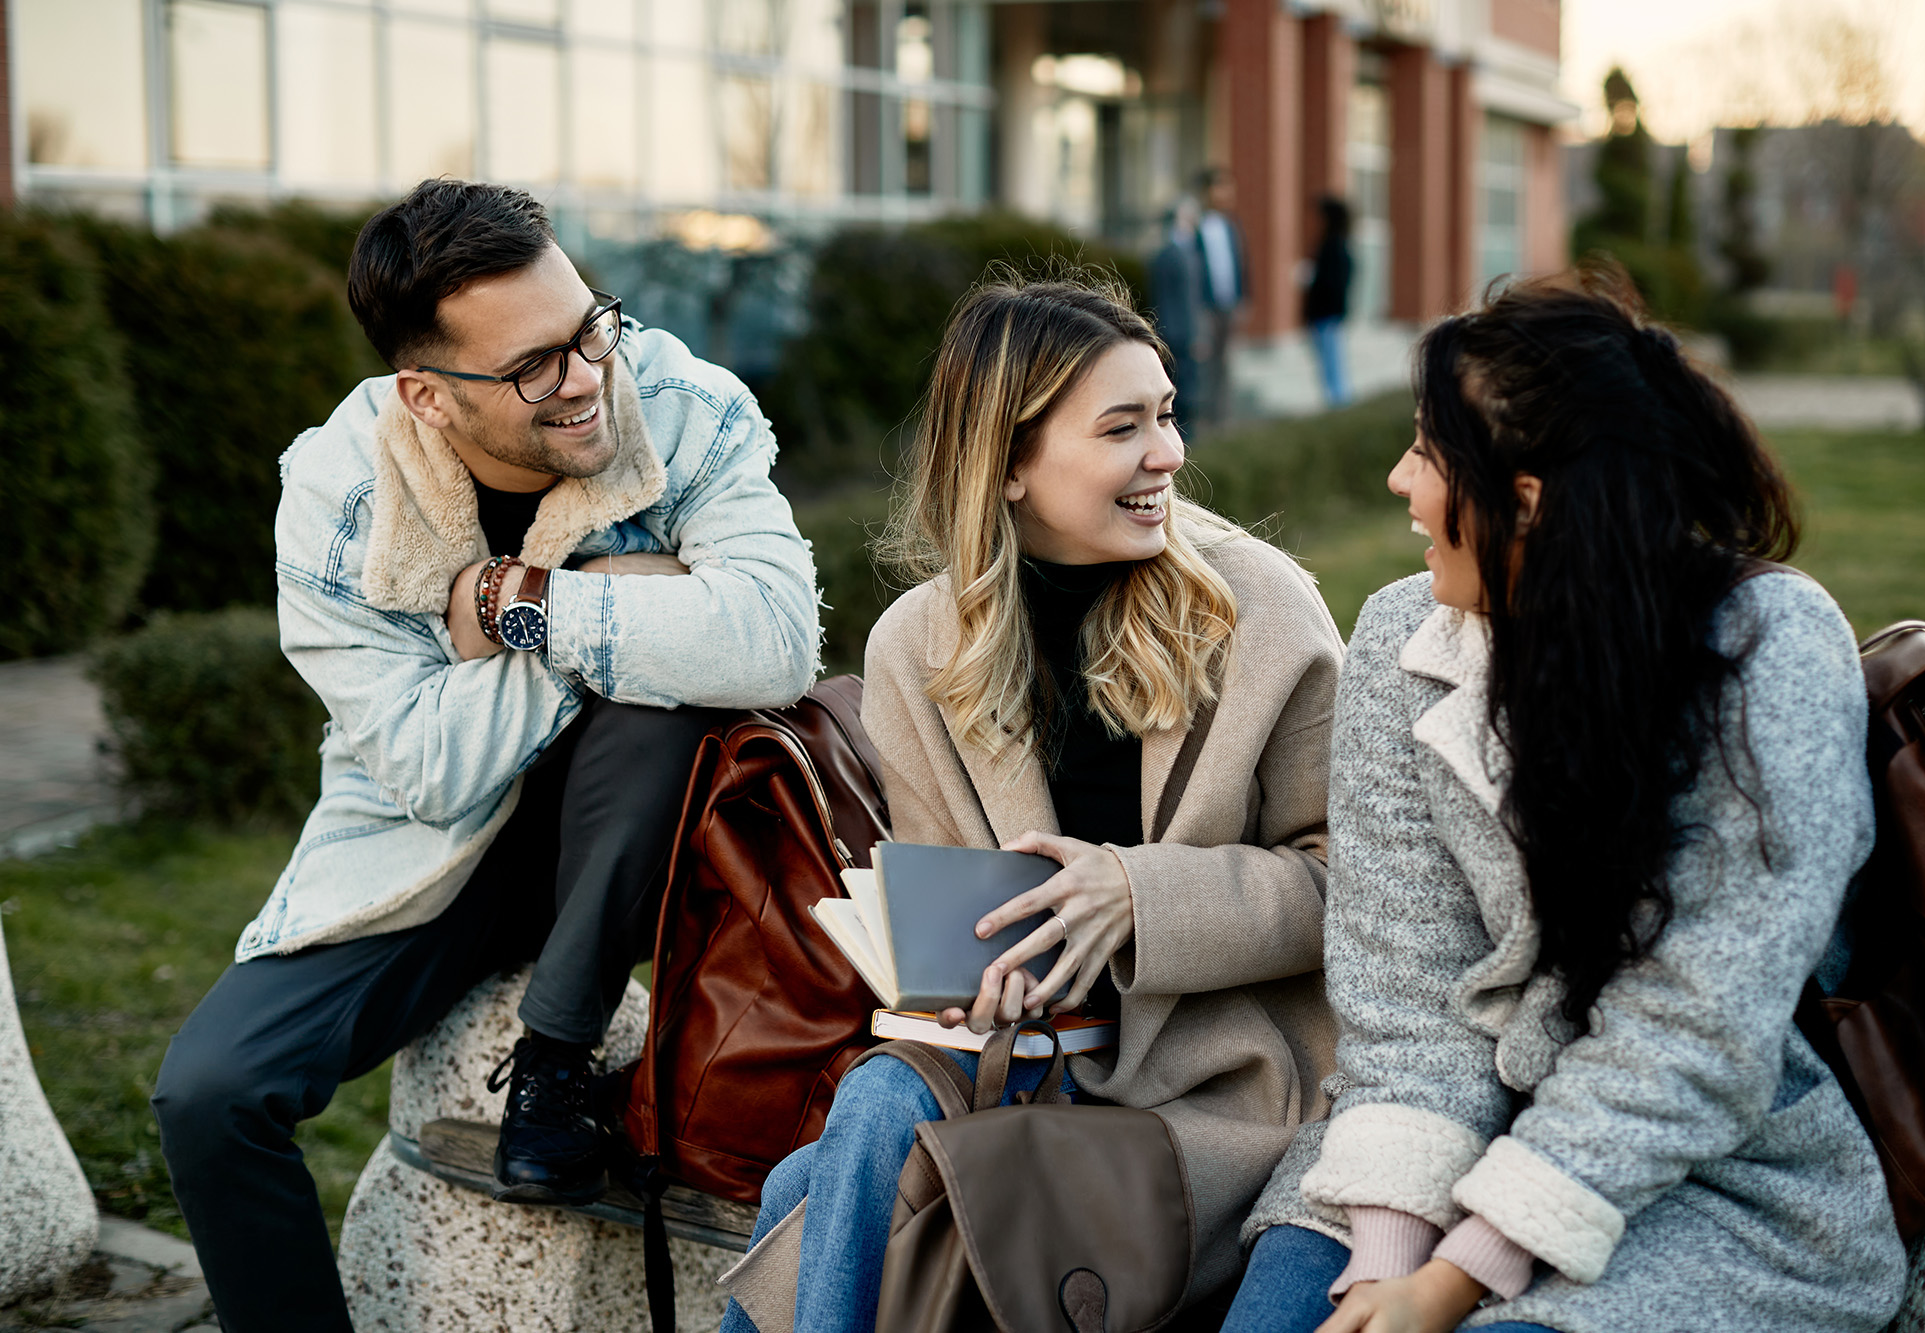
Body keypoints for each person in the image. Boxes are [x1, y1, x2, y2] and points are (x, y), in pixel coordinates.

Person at [150, 179, 819, 1333]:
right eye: (532, 367)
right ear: (426, 393)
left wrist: (527, 605)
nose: (585, 377)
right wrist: (625, 616)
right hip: (428, 850)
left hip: (647, 832)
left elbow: (773, 639)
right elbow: (427, 767)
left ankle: (554, 1057)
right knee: (208, 1095)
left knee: (666, 700)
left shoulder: (680, 401)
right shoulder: (337, 491)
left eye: (588, 329)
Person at [1230, 268, 1906, 1333]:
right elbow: (1403, 997)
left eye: (1426, 451)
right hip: (1433, 1136)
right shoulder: (1399, 636)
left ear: (1527, 503)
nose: (1399, 481)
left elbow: (1697, 1031)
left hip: (1716, 1180)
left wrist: (1452, 1283)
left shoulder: (1769, 650)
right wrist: (1385, 1269)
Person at [717, 270, 1345, 1331]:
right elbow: (955, 901)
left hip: (1218, 1086)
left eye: (1165, 415)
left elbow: (1350, 883)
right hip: (1022, 1058)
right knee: (870, 1104)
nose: (1168, 455)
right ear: (1008, 464)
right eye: (1122, 428)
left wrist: (1138, 898)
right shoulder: (917, 644)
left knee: (804, 1198)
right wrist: (956, 980)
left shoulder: (1262, 610)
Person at [1195, 166, 1251, 430]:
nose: (1226, 193)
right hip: (1205, 306)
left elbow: (1242, 263)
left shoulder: (1231, 224)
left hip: (1229, 304)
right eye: (1220, 187)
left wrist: (1244, 297)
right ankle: (1201, 418)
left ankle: (1223, 419)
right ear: (1207, 191)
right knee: (1205, 362)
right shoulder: (1195, 226)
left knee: (1227, 362)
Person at [1148, 195, 1206, 438]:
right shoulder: (1176, 255)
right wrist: (1194, 335)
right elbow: (1184, 300)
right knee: (1183, 390)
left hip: (1172, 330)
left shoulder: (1169, 254)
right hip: (1180, 333)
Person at [1304, 196, 1354, 409]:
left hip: (1327, 315)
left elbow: (1332, 283)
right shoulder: (1337, 244)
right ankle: (1336, 403)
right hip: (1328, 314)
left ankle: (1338, 405)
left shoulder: (1333, 247)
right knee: (1331, 365)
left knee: (1332, 366)